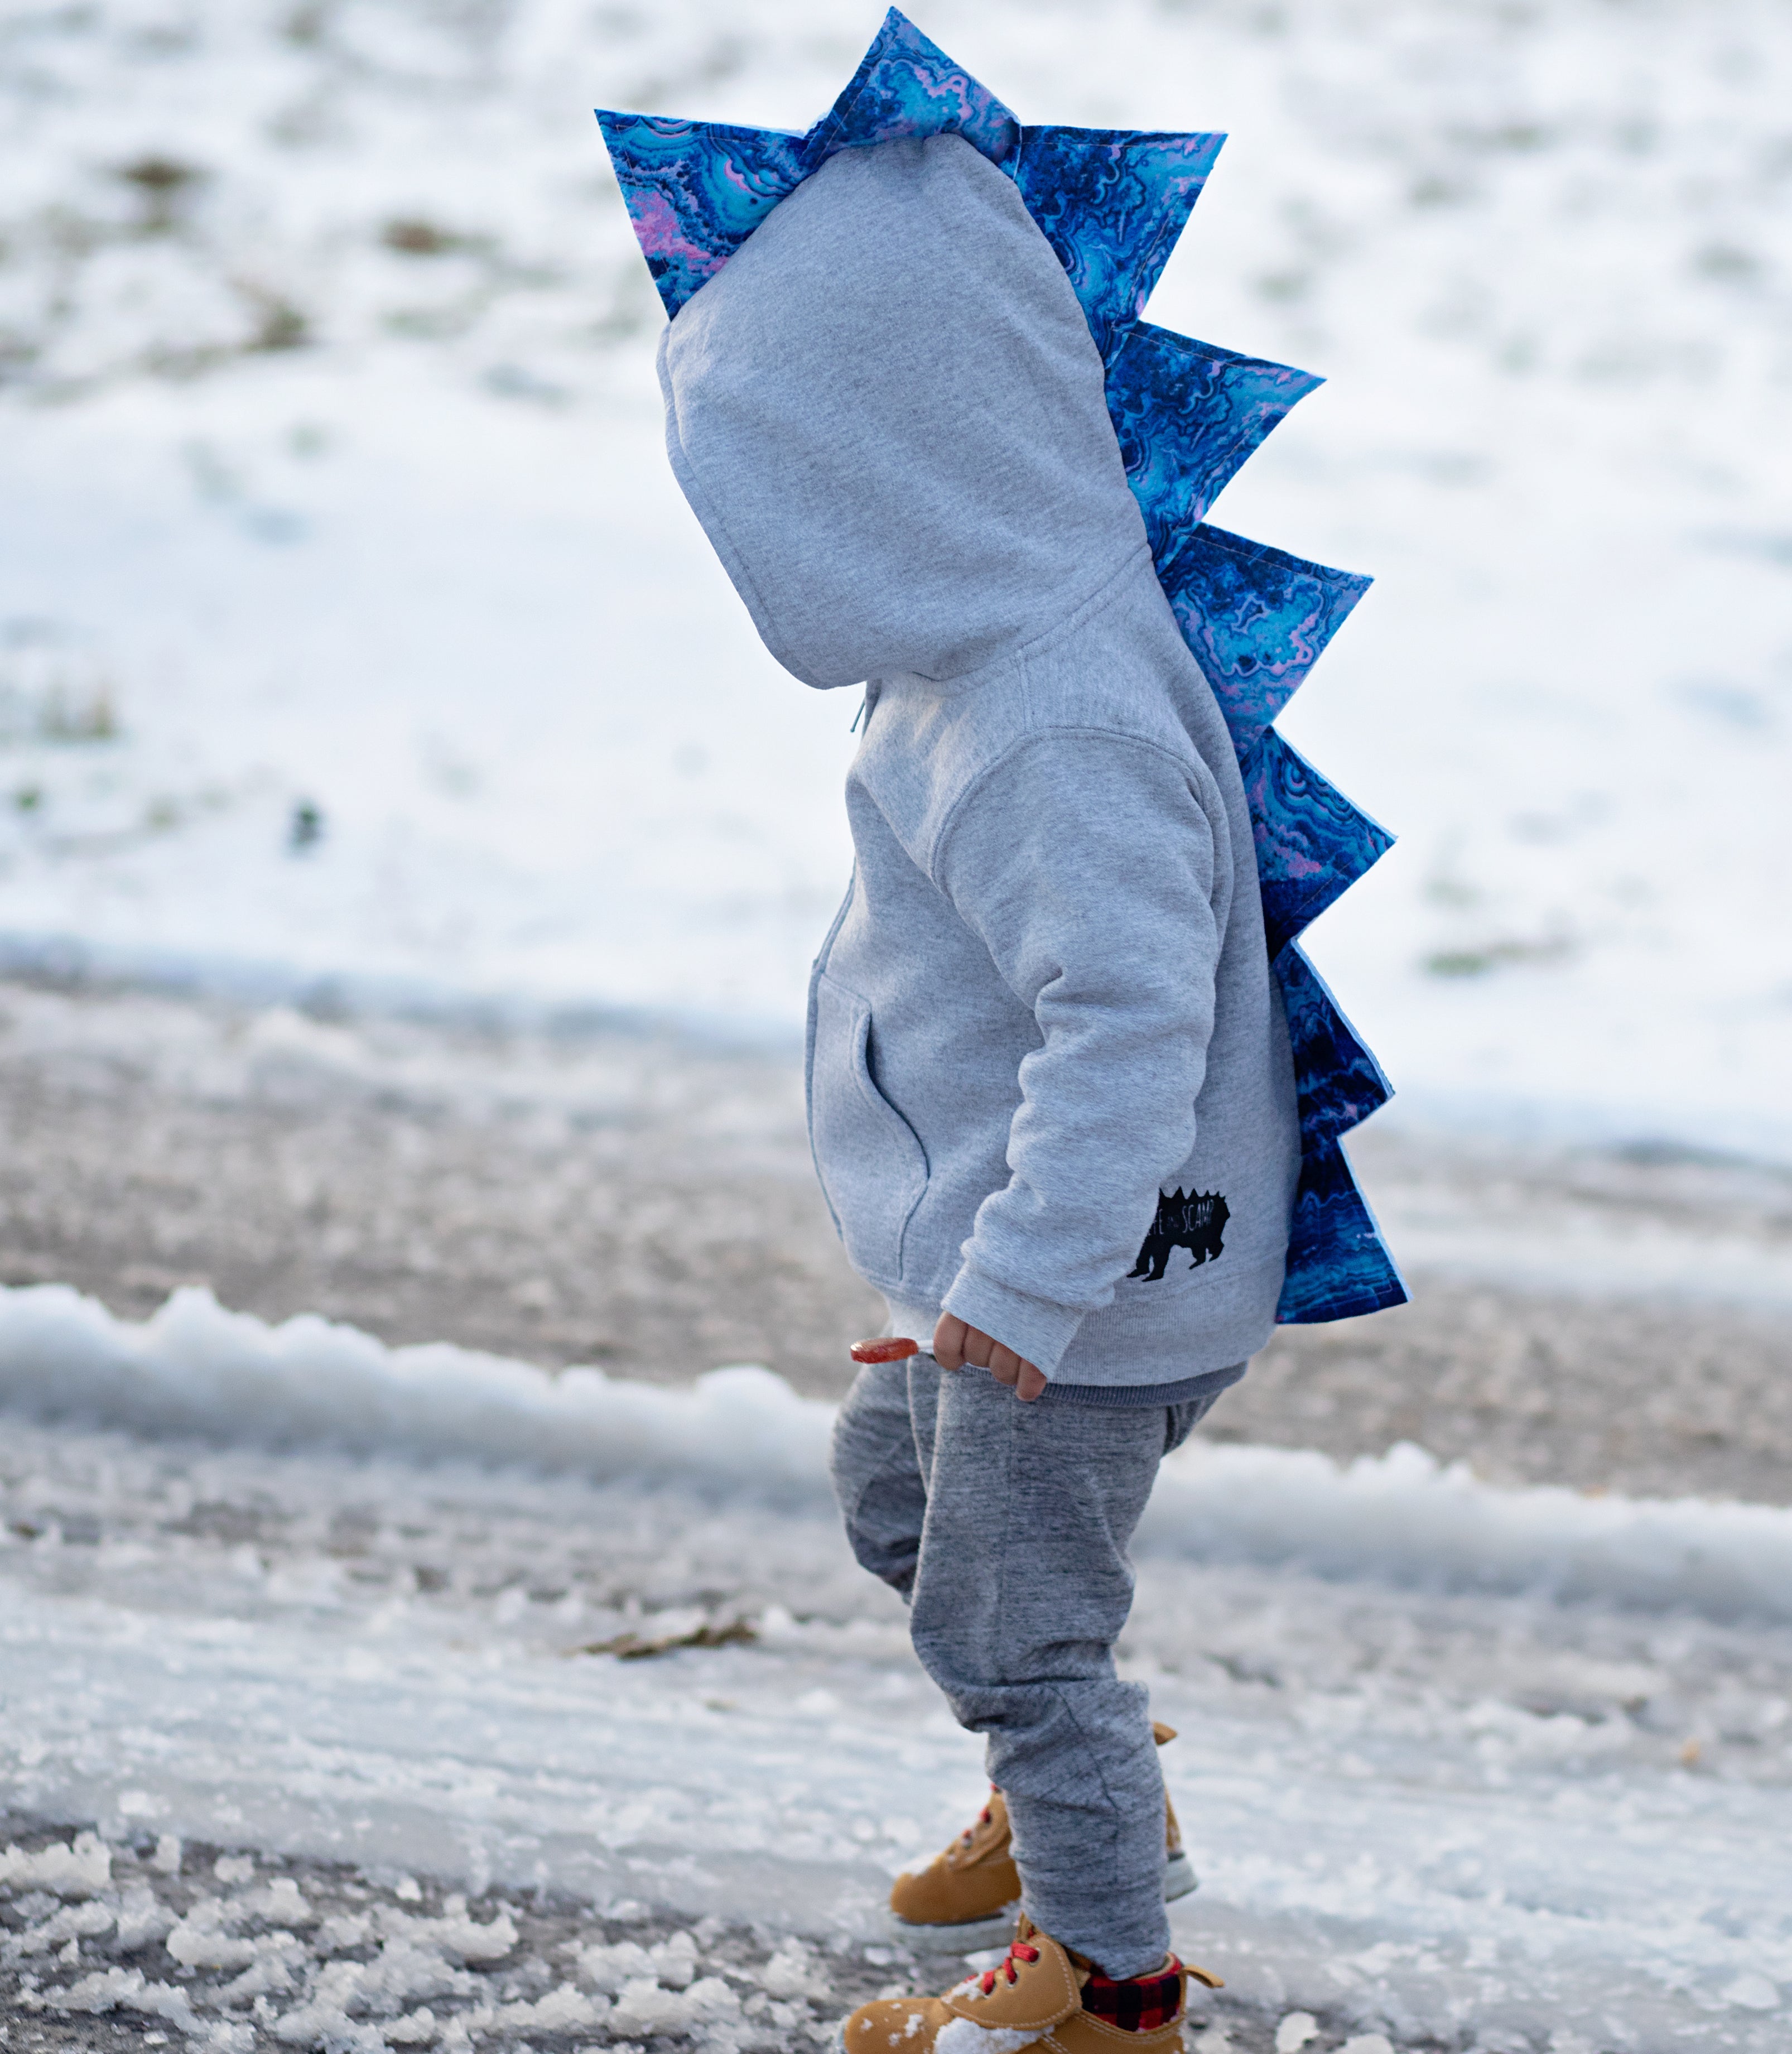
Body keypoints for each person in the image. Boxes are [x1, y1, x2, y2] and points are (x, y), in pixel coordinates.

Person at [654, 129, 1297, 2053]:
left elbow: (1127, 1029)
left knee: (1013, 1624)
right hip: (1037, 1249)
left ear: (890, 470)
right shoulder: (981, 648)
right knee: (899, 1499)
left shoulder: (1051, 721)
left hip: (1086, 1282)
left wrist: (1013, 1288)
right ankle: (1080, 1787)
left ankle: (1113, 1986)